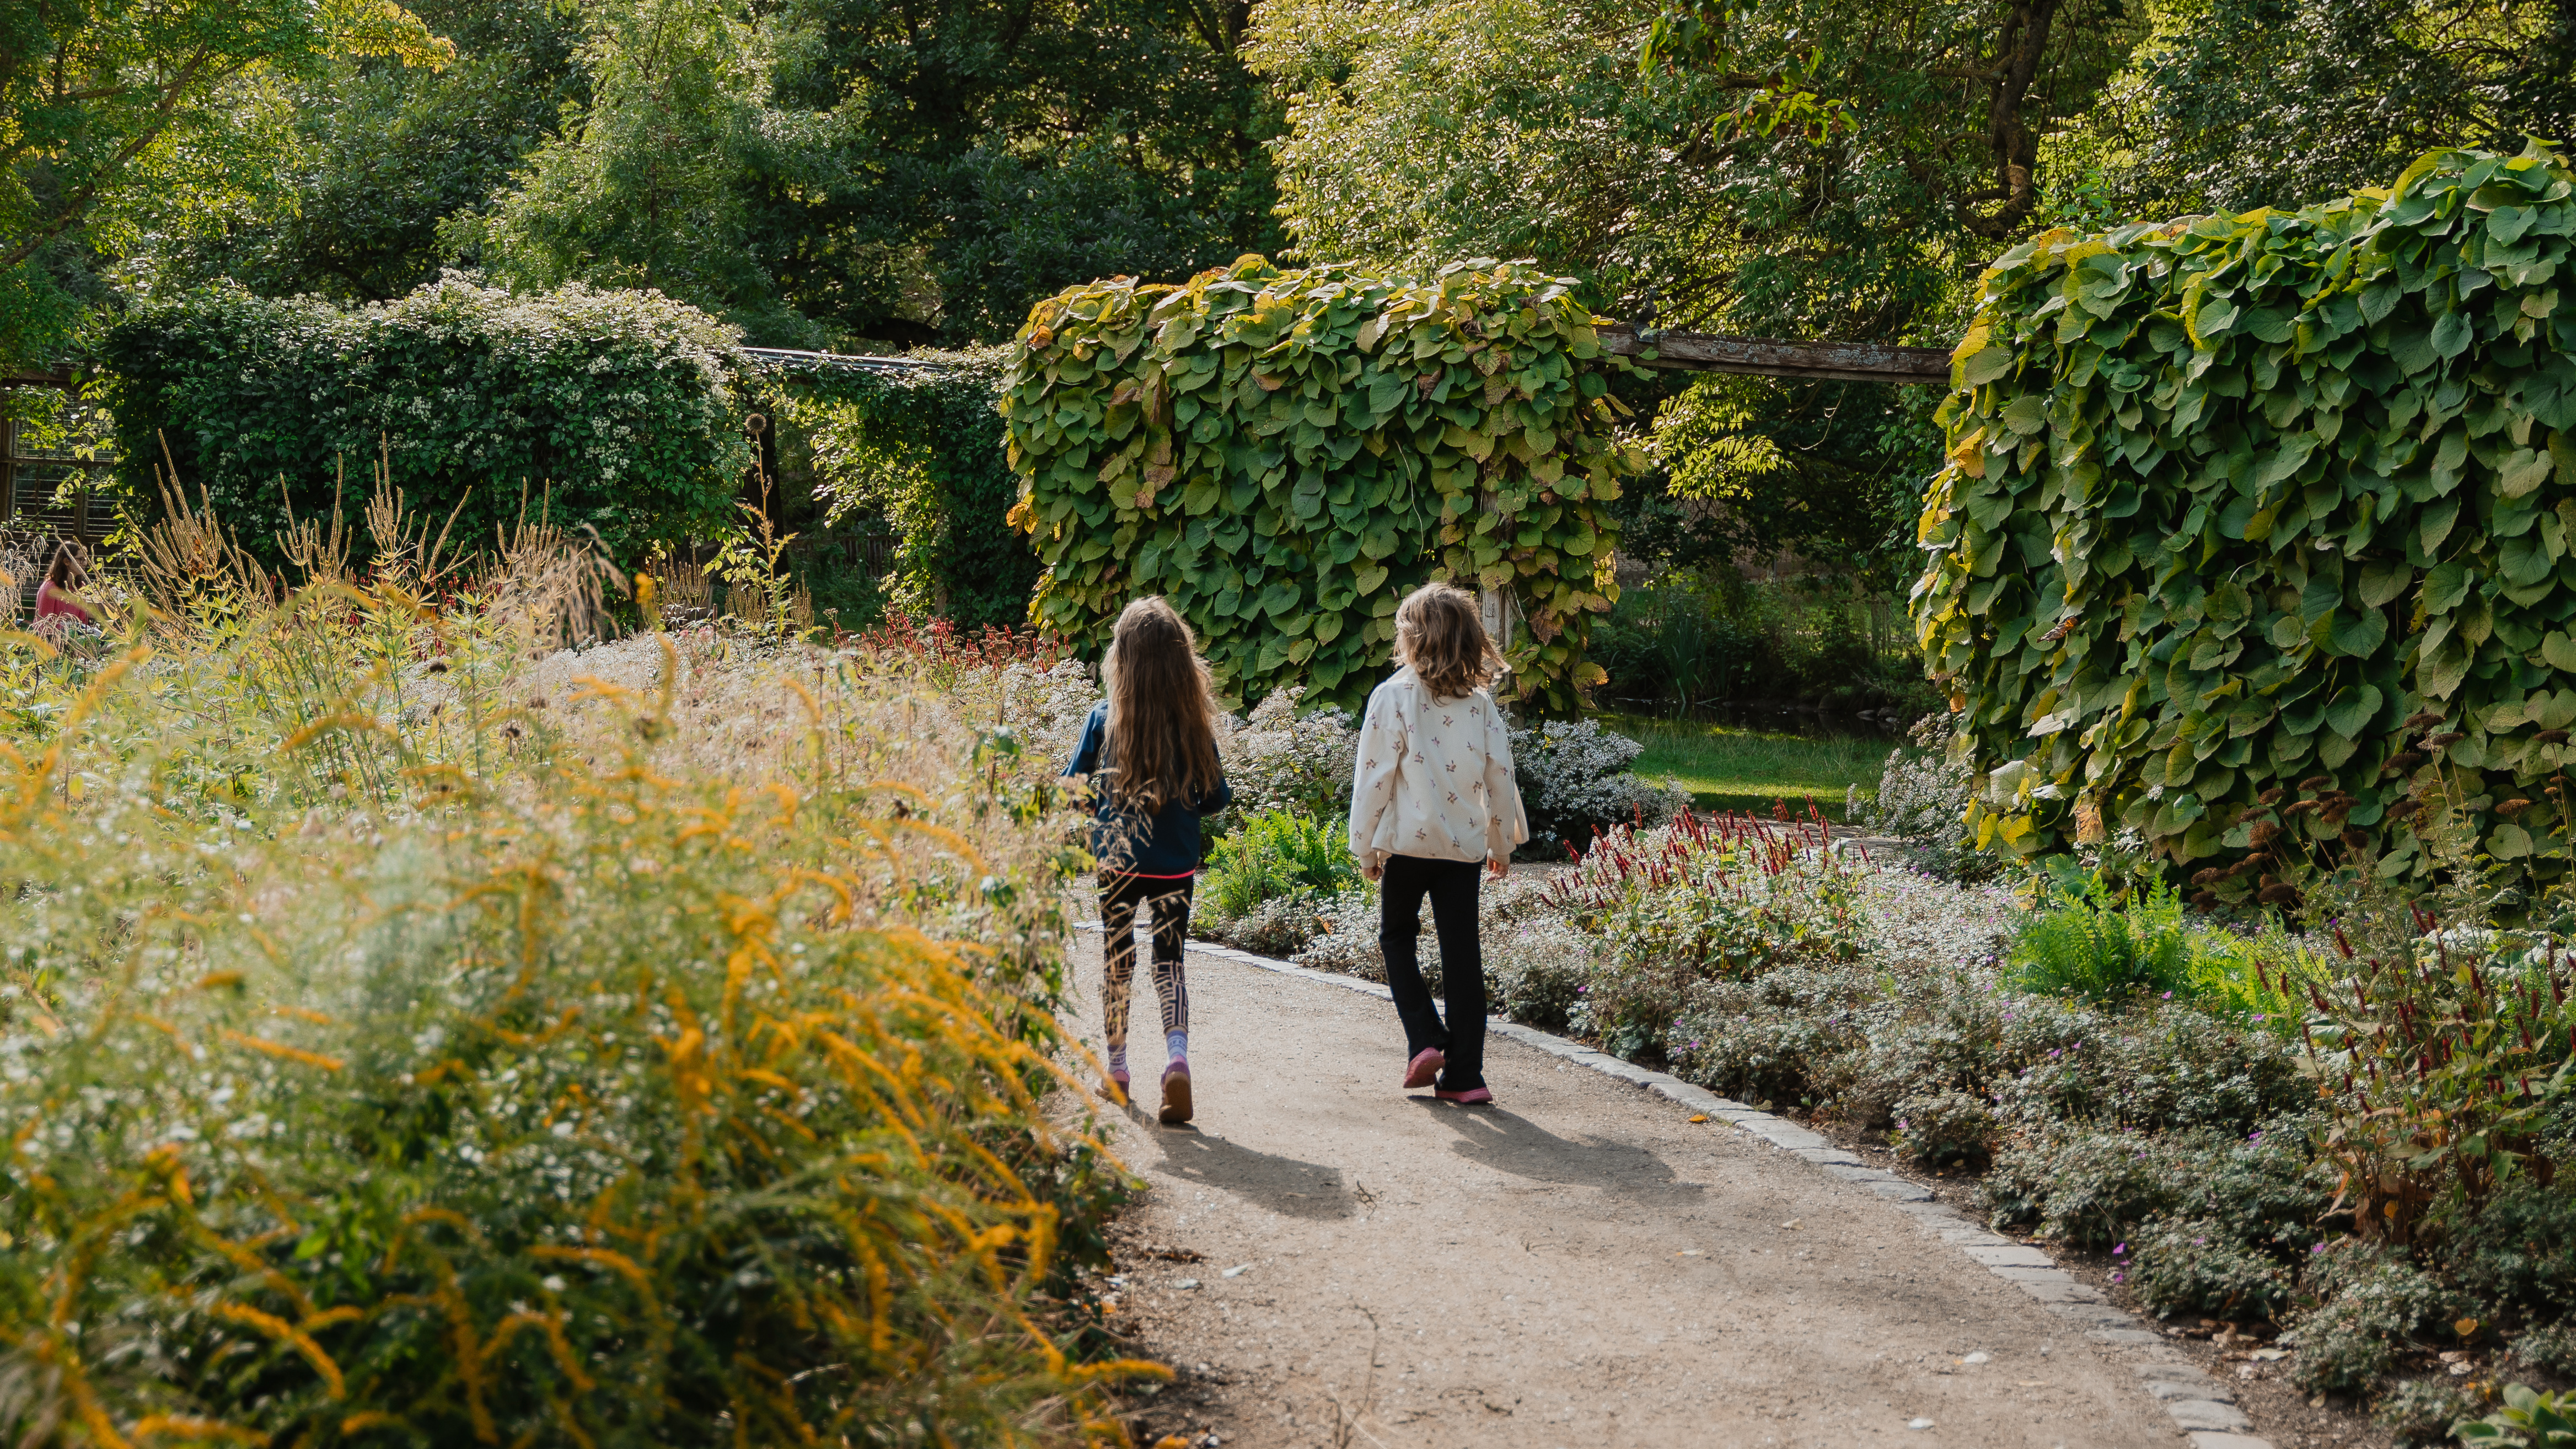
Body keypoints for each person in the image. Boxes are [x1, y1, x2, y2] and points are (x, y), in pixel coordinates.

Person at [1348, 583, 1529, 1105]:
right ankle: (1466, 1076)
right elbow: (1500, 777)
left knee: (1397, 937)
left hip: (1406, 846)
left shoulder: (1393, 696)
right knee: (1462, 956)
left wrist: (1366, 847)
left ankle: (1426, 1038)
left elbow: (1374, 778)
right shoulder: (1481, 707)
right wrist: (1502, 844)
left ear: (1410, 639)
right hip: (1462, 850)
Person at [1064, 597, 1232, 1125]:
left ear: (1123, 659)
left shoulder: (1103, 719)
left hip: (1117, 860)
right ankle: (1176, 1059)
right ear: (1181, 661)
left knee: (1118, 961)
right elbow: (1215, 797)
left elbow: (1073, 789)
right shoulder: (1193, 724)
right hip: (1175, 864)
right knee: (1170, 961)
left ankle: (1116, 1069)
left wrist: (1094, 812)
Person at [33, 543, 95, 630]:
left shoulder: (81, 588)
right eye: (81, 559)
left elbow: (83, 621)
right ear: (67, 561)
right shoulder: (50, 588)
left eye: (86, 560)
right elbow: (44, 622)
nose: (85, 564)